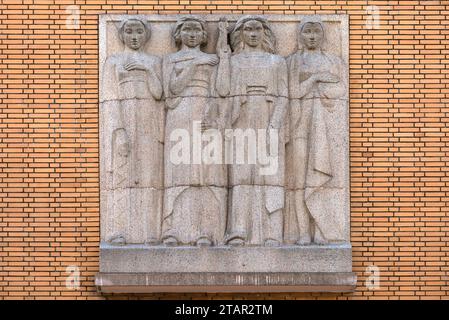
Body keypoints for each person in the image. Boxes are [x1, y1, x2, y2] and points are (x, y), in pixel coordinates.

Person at [161, 16, 229, 246]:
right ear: (179, 34)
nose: (192, 34)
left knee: (206, 175)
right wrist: (194, 64)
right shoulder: (171, 60)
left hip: (206, 117)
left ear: (203, 35)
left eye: (197, 30)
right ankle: (173, 229)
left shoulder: (213, 60)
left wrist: (223, 57)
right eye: (187, 29)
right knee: (179, 174)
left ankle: (207, 230)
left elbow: (222, 90)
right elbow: (172, 91)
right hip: (179, 116)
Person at [224, 16, 288, 246]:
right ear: (241, 33)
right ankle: (238, 230)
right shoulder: (234, 62)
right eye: (248, 29)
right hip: (241, 119)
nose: (253, 33)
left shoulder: (277, 62)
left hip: (268, 117)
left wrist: (275, 125)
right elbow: (223, 92)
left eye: (257, 29)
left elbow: (284, 97)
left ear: (264, 33)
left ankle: (272, 233)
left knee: (271, 177)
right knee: (241, 176)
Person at [100, 18, 164, 245]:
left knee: (149, 178)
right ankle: (119, 231)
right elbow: (110, 99)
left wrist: (147, 70)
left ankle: (149, 232)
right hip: (124, 122)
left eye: (139, 32)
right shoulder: (113, 62)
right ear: (122, 35)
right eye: (129, 31)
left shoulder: (154, 61)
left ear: (145, 36)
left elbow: (159, 94)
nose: (134, 36)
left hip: (149, 124)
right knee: (122, 177)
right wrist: (119, 131)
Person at [285, 16, 347, 245]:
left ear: (323, 35)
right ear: (300, 35)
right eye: (307, 31)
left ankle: (323, 230)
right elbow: (291, 91)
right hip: (299, 125)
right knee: (299, 181)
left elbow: (341, 89)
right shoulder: (292, 62)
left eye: (316, 31)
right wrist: (316, 79)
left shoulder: (334, 61)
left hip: (327, 128)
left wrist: (321, 88)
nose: (311, 36)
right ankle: (302, 232)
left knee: (323, 180)